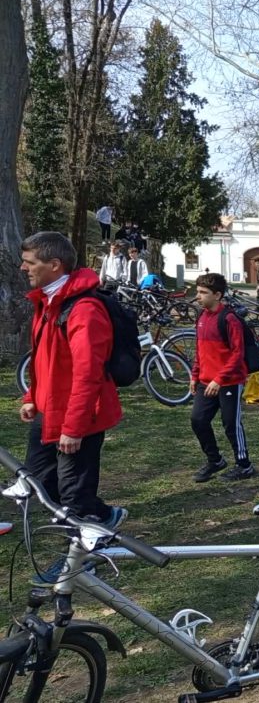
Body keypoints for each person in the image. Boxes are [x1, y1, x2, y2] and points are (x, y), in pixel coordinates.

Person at [18, 232, 127, 583]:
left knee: (73, 495)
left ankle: (79, 560)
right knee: (38, 483)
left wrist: (74, 427)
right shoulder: (47, 301)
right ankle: (105, 518)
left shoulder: (84, 309)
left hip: (81, 417)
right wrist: (32, 396)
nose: (23, 268)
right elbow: (44, 357)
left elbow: (87, 373)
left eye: (30, 262)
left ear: (54, 265)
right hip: (51, 411)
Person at [190, 273, 254, 483]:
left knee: (230, 424)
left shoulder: (229, 319)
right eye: (197, 291)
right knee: (198, 420)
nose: (198, 296)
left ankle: (244, 465)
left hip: (229, 382)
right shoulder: (201, 317)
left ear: (217, 295)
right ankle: (215, 460)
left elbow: (237, 353)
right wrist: (195, 376)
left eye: (203, 293)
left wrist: (220, 378)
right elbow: (199, 350)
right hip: (205, 382)